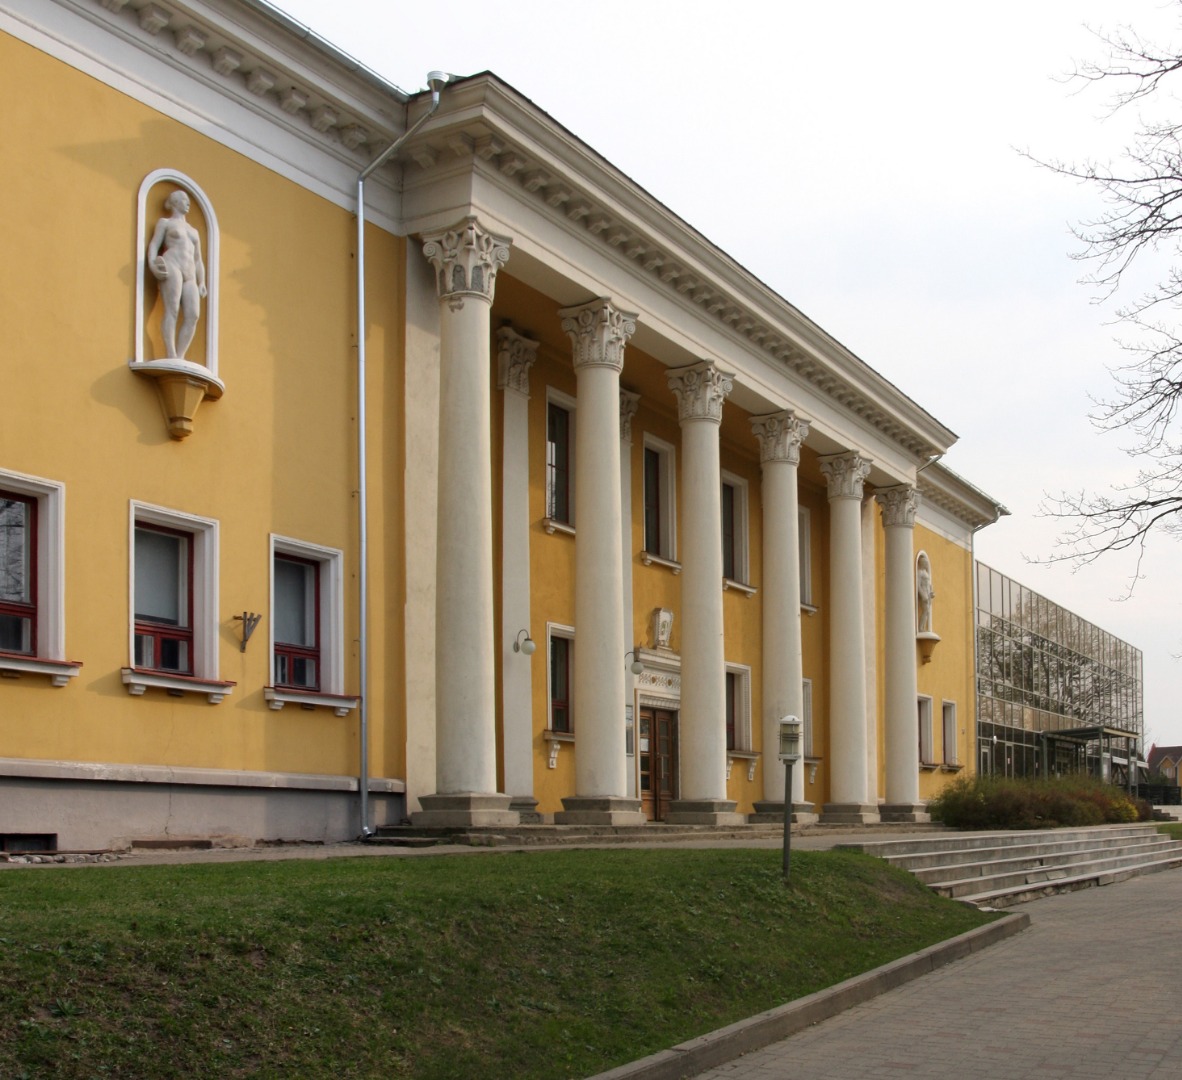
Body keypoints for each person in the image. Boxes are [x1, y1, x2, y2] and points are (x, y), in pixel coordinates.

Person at [147, 189, 206, 360]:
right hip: (173, 265)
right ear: (174, 203)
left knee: (193, 315)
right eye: (184, 199)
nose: (188, 203)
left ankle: (180, 356)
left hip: (190, 274)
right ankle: (171, 353)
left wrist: (201, 282)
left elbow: (198, 260)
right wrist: (152, 263)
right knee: (172, 309)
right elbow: (154, 244)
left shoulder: (194, 231)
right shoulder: (165, 223)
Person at [917, 554, 935, 633]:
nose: (927, 564)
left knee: (927, 611)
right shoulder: (920, 572)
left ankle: (923, 627)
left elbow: (929, 585)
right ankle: (921, 628)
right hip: (924, 594)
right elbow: (918, 585)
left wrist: (931, 593)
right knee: (926, 611)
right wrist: (922, 595)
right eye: (925, 562)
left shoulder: (926, 573)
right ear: (922, 563)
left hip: (928, 595)